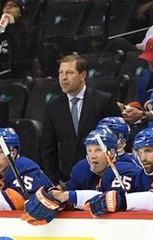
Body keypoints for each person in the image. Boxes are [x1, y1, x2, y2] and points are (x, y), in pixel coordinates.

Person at [22, 127, 141, 225]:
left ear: (112, 153)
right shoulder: (83, 168)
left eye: (98, 150)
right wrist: (54, 199)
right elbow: (67, 197)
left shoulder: (123, 170)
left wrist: (69, 196)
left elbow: (110, 201)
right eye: (89, 151)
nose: (92, 156)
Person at [41, 55, 121, 183]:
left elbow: (119, 140)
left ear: (83, 75)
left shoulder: (104, 101)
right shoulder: (53, 107)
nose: (63, 78)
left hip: (103, 178)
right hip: (69, 179)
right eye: (61, 73)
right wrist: (54, 181)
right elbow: (48, 148)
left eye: (69, 73)